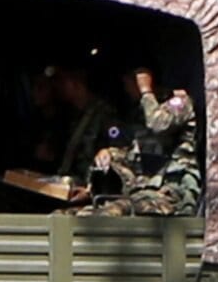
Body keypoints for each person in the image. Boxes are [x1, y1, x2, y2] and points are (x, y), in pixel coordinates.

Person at [83, 67, 199, 216]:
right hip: (145, 191)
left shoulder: (181, 101)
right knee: (82, 213)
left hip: (174, 191)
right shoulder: (141, 111)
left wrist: (146, 91)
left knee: (112, 211)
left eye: (129, 82)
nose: (126, 88)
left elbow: (158, 124)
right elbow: (136, 153)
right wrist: (110, 154)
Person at [51, 66, 126, 186]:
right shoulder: (69, 114)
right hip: (70, 180)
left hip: (91, 185)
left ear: (76, 84)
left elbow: (119, 145)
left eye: (64, 82)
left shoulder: (104, 114)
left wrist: (107, 152)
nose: (59, 87)